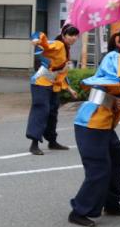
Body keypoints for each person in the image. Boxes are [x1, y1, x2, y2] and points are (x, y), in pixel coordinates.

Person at [68, 22, 120, 227]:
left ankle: (111, 202)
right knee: (99, 168)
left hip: (102, 123)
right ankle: (79, 210)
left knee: (117, 158)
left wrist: (119, 98)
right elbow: (118, 73)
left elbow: (113, 87)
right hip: (91, 122)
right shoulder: (115, 57)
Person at [25, 25, 80, 155]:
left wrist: (69, 89)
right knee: (41, 110)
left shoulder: (66, 48)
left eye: (75, 35)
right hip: (40, 82)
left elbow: (61, 72)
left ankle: (52, 141)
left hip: (53, 84)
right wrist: (37, 39)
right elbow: (45, 43)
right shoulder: (58, 44)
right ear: (63, 35)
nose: (73, 38)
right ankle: (34, 143)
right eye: (70, 35)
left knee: (52, 112)